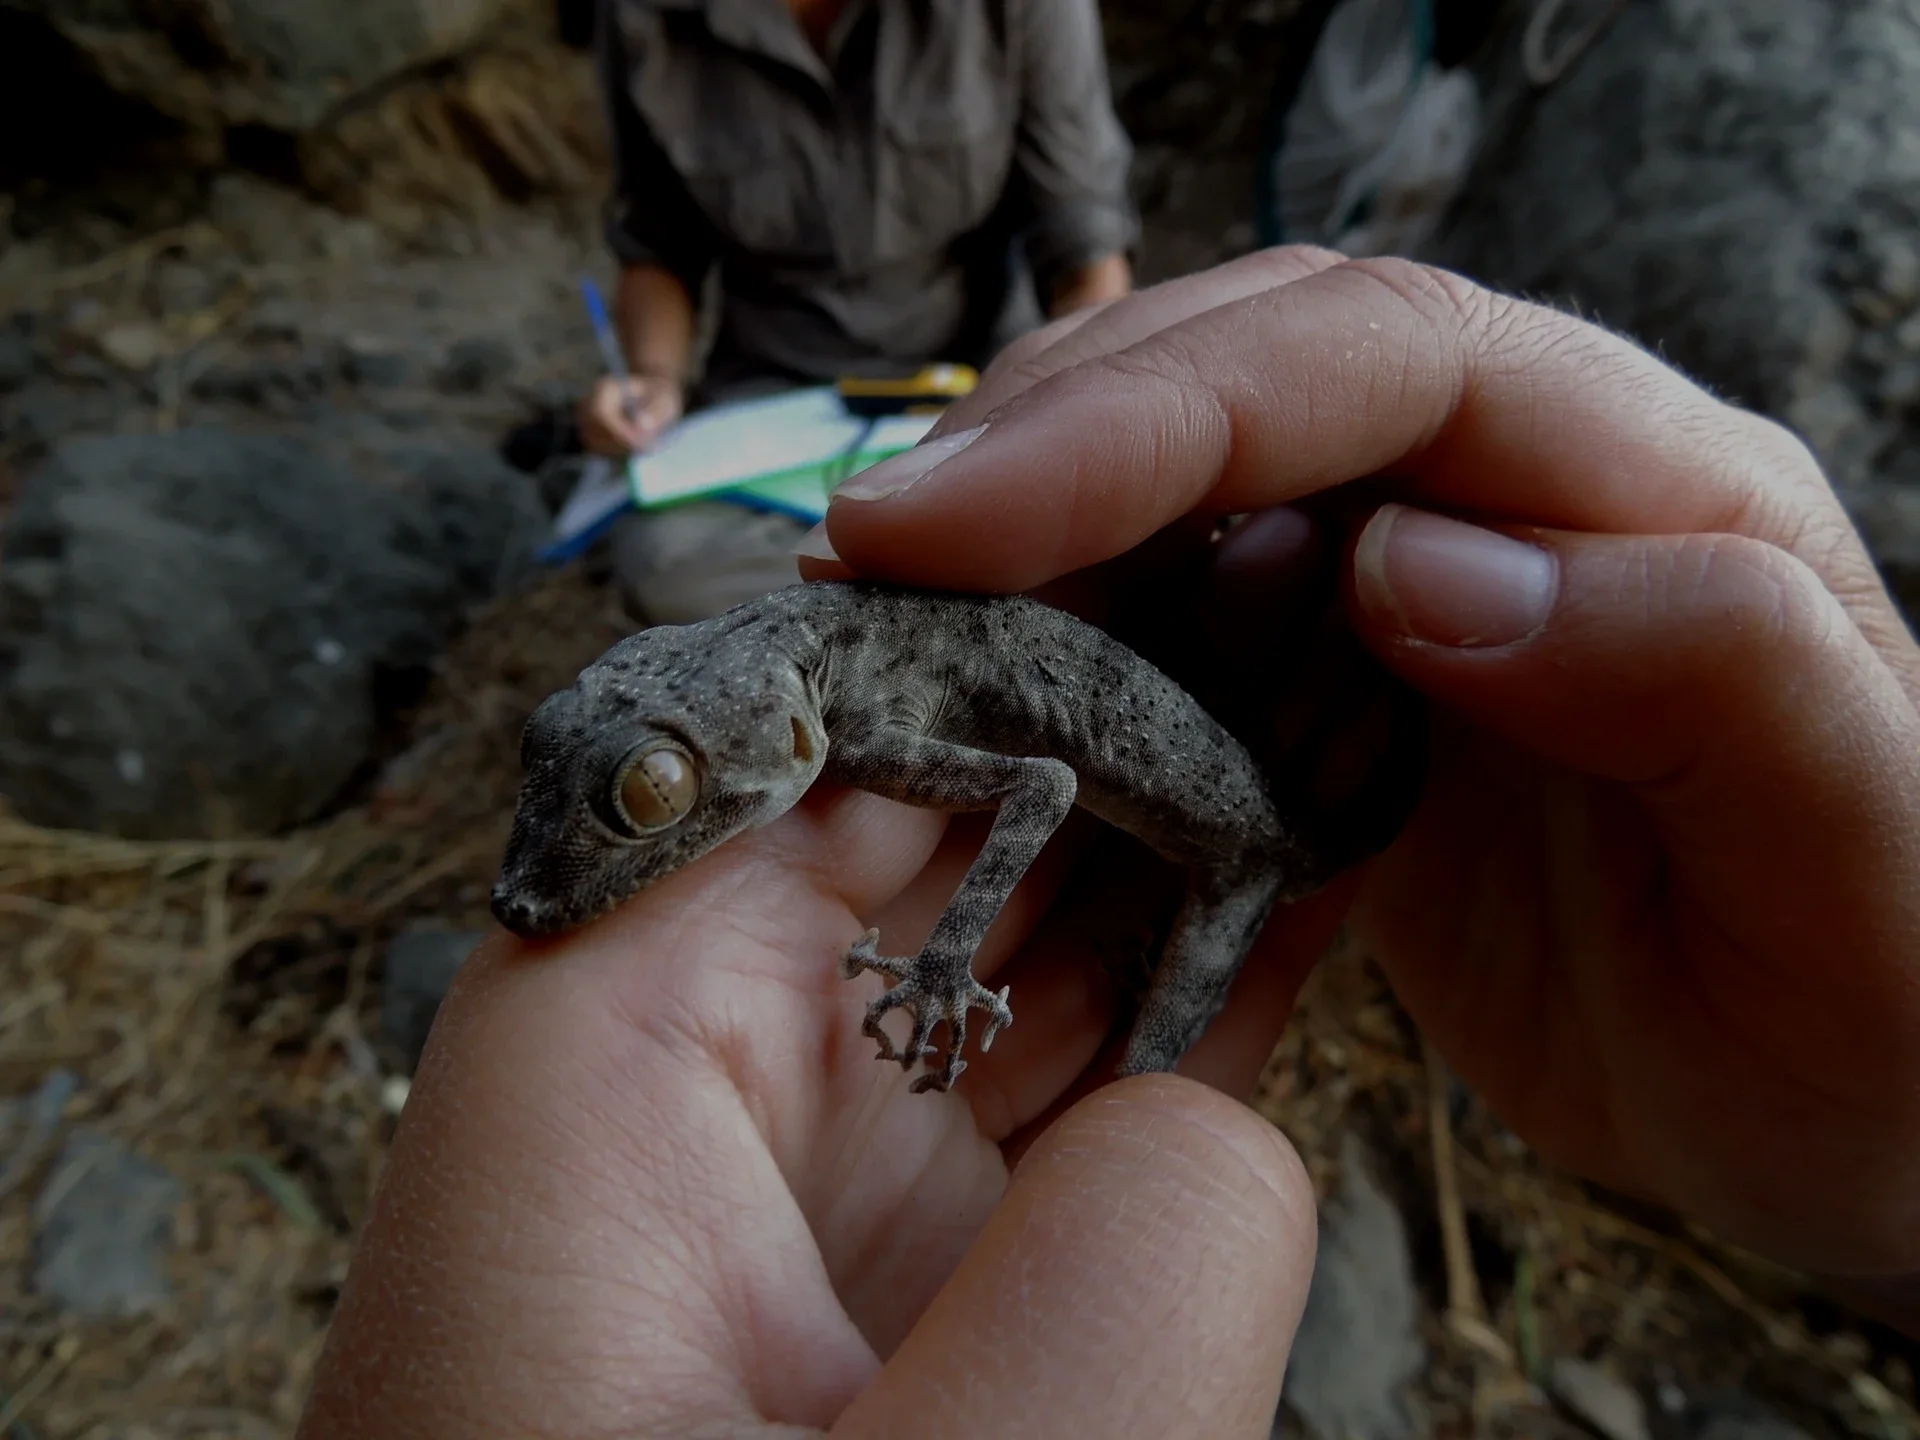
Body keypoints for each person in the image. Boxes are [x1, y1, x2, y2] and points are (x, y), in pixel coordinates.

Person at [296, 250, 1920, 1439]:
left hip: (1243, 859)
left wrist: (947, 955)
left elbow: (1046, 793)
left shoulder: (854, 727)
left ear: (772, 746)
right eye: (611, 787)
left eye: (646, 805)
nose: (547, 879)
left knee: (1140, 1109)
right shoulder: (811, 690)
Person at [575, 0, 1138, 624]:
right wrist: (653, 378)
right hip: (770, 400)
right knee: (666, 564)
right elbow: (657, 244)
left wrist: (1072, 403)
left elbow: (1085, 249)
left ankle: (857, 621)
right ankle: (942, 621)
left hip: (978, 386)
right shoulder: (645, 14)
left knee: (1093, 542)